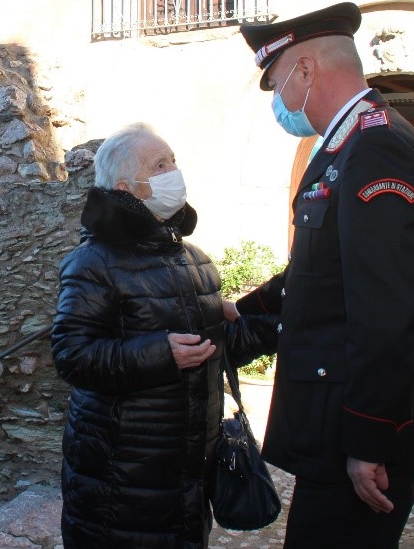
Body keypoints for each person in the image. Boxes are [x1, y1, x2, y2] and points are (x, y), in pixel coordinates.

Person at [235, 2, 414, 547]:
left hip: (359, 428)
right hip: (334, 420)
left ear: (306, 70)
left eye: (277, 82)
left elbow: (388, 307)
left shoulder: (377, 146)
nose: (278, 99)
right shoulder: (345, 144)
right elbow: (319, 270)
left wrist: (370, 440)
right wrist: (240, 311)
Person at [50, 122, 279, 547]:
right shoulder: (93, 262)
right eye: (160, 165)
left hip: (188, 479)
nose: (174, 171)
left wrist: (278, 324)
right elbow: (72, 355)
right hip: (119, 482)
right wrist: (161, 353)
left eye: (173, 160)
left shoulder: (196, 260)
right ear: (127, 188)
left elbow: (218, 349)